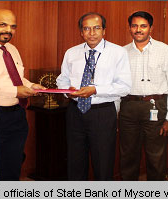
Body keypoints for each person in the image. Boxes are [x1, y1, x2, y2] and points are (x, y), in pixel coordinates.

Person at [56, 12, 132, 181]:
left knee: (103, 162)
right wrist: (67, 90)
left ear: (104, 30)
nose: (92, 33)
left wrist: (95, 90)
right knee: (75, 160)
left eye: (96, 28)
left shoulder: (118, 52)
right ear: (81, 32)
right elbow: (62, 79)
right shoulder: (71, 53)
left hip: (102, 113)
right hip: (75, 112)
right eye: (87, 29)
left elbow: (124, 87)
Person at [119, 11, 168, 181]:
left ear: (151, 28)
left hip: (156, 107)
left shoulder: (165, 51)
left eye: (143, 26)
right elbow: (117, 85)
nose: (138, 30)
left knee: (156, 157)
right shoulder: (121, 53)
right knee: (127, 157)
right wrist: (115, 113)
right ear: (129, 28)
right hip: (128, 108)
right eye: (134, 26)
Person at [0, 9, 45, 181]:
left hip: (16, 113)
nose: (8, 30)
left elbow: (17, 77)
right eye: (3, 25)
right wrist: (17, 91)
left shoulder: (11, 49)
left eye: (13, 26)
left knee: (13, 161)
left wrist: (32, 85)